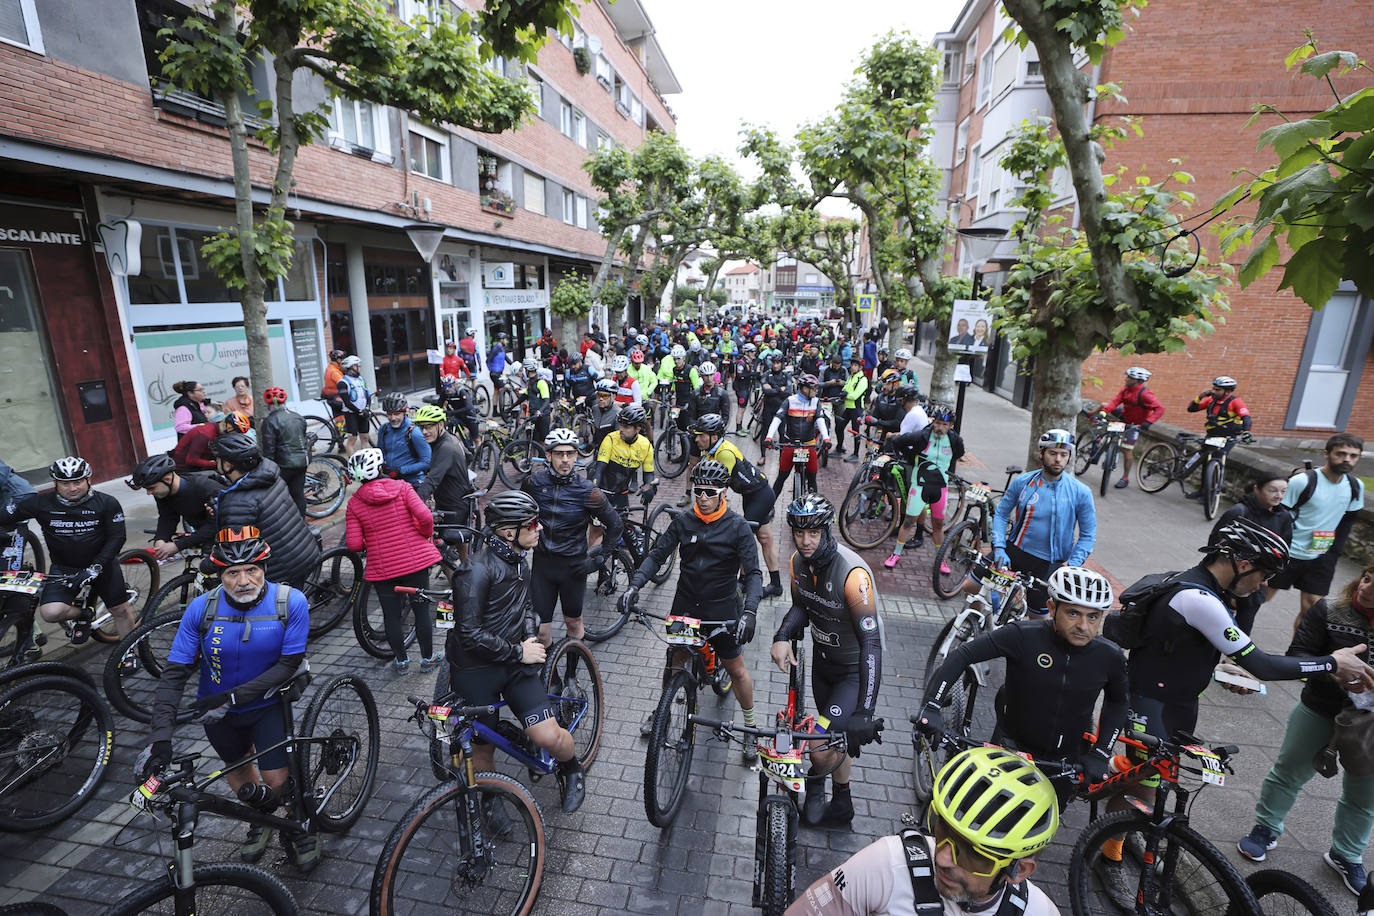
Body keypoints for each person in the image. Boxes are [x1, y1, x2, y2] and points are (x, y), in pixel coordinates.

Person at [1102, 519, 1374, 866]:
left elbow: (1177, 646)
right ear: (1242, 564)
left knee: (1158, 782)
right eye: (1263, 575)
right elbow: (1263, 664)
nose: (1263, 584)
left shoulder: (1202, 588)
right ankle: (1108, 853)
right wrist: (1332, 663)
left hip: (1177, 700)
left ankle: (1128, 830)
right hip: (1151, 701)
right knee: (1143, 785)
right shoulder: (1199, 598)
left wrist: (1219, 670)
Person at [137, 528, 318, 870]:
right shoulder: (200, 610)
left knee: (278, 781)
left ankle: (298, 825)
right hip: (217, 711)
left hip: (267, 705)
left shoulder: (290, 602)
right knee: (241, 777)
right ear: (220, 575)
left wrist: (232, 697)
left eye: (253, 570)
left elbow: (289, 664)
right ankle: (262, 821)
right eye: (233, 573)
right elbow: (174, 674)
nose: (244, 580)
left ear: (265, 568)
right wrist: (161, 736)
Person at [917, 566, 1126, 809]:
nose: (1084, 626)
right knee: (980, 820)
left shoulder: (1109, 656)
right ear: (1051, 608)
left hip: (1063, 762)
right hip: (1009, 749)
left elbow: (1119, 700)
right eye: (1073, 613)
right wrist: (931, 705)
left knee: (1037, 833)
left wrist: (1101, 752)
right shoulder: (1023, 636)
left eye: (1093, 617)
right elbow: (962, 655)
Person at [787, 747, 1062, 915]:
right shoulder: (886, 864)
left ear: (1019, 870)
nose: (942, 858)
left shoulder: (1040, 911)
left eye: (972, 854)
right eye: (943, 831)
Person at [1238, 562, 1374, 895]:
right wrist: (1333, 671)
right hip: (1320, 708)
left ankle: (1346, 854)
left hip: (1370, 724)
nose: (1366, 588)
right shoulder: (1327, 610)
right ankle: (1265, 829)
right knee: (1289, 771)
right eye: (1368, 578)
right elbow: (1297, 655)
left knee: (1365, 795)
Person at [447, 491, 586, 813]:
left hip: (514, 663)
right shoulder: (474, 572)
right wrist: (517, 651)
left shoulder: (519, 559)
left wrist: (529, 637)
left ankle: (572, 767)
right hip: (477, 670)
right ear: (509, 532)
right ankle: (492, 799)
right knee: (483, 747)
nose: (539, 529)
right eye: (533, 524)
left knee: (549, 738)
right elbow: (468, 633)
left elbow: (525, 606)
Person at [620, 461, 763, 761]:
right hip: (686, 606)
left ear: (723, 492)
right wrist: (634, 586)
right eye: (698, 491)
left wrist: (749, 612)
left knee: (736, 670)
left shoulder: (737, 527)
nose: (702, 497)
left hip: (721, 608)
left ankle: (750, 728)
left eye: (710, 492)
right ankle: (664, 713)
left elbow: (753, 575)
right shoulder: (684, 521)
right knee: (674, 661)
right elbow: (657, 555)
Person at [770, 494, 884, 827]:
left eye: (814, 533)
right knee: (836, 737)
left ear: (826, 530)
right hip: (822, 667)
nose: (805, 541)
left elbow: (872, 644)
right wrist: (780, 636)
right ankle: (843, 800)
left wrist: (865, 711)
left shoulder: (853, 576)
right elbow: (801, 607)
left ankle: (816, 780)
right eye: (799, 533)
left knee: (819, 747)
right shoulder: (797, 562)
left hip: (852, 673)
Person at [0, 456, 133, 643]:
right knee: (50, 613)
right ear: (55, 482)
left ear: (89, 479)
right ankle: (85, 614)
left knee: (120, 610)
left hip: (102, 566)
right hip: (64, 568)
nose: (72, 488)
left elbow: (117, 537)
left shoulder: (107, 503)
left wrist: (95, 567)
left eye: (77, 482)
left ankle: (130, 652)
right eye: (65, 483)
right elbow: (5, 516)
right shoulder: (40, 503)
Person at [523, 428, 623, 646]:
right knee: (540, 631)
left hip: (573, 568)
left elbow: (615, 525)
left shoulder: (588, 491)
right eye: (559, 454)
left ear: (577, 455)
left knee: (574, 624)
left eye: (570, 453)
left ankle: (570, 676)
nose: (565, 459)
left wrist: (598, 559)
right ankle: (552, 678)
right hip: (543, 566)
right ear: (548, 455)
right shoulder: (534, 483)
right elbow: (520, 516)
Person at [344, 448, 441, 672]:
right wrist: (422, 533)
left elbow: (354, 544)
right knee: (421, 610)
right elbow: (425, 517)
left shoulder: (355, 504)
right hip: (415, 562)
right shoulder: (403, 488)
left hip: (382, 568)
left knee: (391, 616)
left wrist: (373, 542)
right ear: (380, 468)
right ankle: (427, 659)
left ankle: (401, 661)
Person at [990, 430, 1096, 615]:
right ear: (1041, 453)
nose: (1058, 459)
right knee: (972, 587)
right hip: (1013, 551)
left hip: (1048, 565)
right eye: (1052, 453)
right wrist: (999, 547)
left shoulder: (1081, 492)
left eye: (1064, 455)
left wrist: (1072, 566)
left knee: (1037, 619)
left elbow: (1088, 535)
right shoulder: (1023, 482)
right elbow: (1001, 513)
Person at [1271, 433, 1366, 623]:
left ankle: (1298, 653)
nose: (1347, 459)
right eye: (1341, 453)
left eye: (1353, 455)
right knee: (1255, 598)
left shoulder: (1355, 486)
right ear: (1326, 453)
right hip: (1286, 553)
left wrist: (1333, 552)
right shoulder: (1303, 482)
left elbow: (1347, 521)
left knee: (1312, 612)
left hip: (1321, 555)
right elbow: (1278, 515)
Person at [209, 433, 321, 590]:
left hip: (280, 570)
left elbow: (233, 550)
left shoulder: (238, 502)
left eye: (218, 459)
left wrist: (207, 565)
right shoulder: (270, 476)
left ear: (227, 465)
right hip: (305, 551)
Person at [690, 413, 783, 598]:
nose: (696, 439)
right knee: (765, 538)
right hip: (752, 494)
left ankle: (743, 582)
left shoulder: (724, 453)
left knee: (743, 538)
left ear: (714, 437)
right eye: (696, 435)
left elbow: (719, 489)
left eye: (701, 435)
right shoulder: (714, 449)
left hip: (761, 495)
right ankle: (776, 585)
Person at [1209, 473, 1292, 631]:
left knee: (1244, 627)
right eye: (1273, 490)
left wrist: (1267, 575)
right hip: (1228, 576)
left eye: (1283, 491)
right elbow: (1215, 544)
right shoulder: (1238, 511)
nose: (1279, 496)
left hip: (1256, 580)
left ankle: (1235, 656)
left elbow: (1284, 548)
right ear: (1257, 489)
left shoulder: (1284, 517)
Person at [884, 404, 963, 568]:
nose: (940, 427)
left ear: (951, 426)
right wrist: (909, 457)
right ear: (933, 421)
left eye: (944, 424)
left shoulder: (955, 441)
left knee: (938, 525)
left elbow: (959, 453)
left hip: (940, 488)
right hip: (919, 485)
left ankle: (940, 560)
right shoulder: (923, 436)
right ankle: (896, 553)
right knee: (908, 521)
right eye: (938, 423)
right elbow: (899, 441)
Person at [128, 453, 220, 562]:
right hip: (204, 531)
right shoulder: (163, 492)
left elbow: (215, 525)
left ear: (167, 479)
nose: (149, 493)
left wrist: (177, 545)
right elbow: (167, 518)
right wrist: (161, 539)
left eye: (151, 488)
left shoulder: (205, 487)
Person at [411, 404, 475, 556]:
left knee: (439, 554)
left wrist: (413, 503)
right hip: (457, 499)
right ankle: (466, 572)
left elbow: (432, 481)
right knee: (458, 546)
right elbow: (469, 456)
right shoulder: (450, 439)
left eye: (428, 427)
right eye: (421, 427)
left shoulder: (446, 447)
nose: (424, 432)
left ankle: (463, 577)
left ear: (440, 424)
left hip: (453, 506)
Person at [763, 374, 832, 498]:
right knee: (782, 477)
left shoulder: (816, 402)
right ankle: (769, 506)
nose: (816, 391)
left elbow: (820, 420)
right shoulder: (790, 400)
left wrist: (826, 438)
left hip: (809, 445)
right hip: (790, 444)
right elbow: (777, 419)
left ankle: (812, 506)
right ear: (805, 389)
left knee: (812, 479)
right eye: (814, 389)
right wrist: (769, 437)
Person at [1099, 366, 1165, 489]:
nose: (1126, 379)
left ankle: (1125, 477)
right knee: (1104, 421)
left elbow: (1160, 408)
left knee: (1127, 449)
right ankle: (1099, 439)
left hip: (1135, 425)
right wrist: (1104, 412)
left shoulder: (1145, 394)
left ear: (1135, 380)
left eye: (1128, 377)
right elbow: (1115, 402)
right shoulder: (1125, 390)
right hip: (1124, 417)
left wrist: (1148, 422)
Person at [258, 387, 309, 514]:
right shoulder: (298, 417)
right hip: (303, 461)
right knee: (298, 494)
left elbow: (269, 449)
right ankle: (301, 523)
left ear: (268, 404)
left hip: (284, 464)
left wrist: (266, 468)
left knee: (279, 496)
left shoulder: (269, 421)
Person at [375, 392, 430, 487]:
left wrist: (400, 470)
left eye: (397, 414)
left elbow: (426, 463)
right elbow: (380, 454)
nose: (393, 418)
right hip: (392, 482)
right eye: (389, 414)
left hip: (412, 482)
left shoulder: (414, 432)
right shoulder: (383, 429)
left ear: (404, 412)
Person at [336, 356, 372, 454]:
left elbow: (367, 395)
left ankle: (367, 461)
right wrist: (359, 411)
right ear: (351, 367)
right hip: (351, 414)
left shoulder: (361, 379)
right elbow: (347, 402)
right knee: (353, 438)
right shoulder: (342, 383)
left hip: (363, 412)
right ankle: (352, 464)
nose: (359, 368)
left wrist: (367, 409)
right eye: (357, 366)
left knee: (365, 437)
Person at [838, 357, 871, 462]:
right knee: (839, 427)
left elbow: (855, 395)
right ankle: (839, 447)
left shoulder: (863, 379)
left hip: (857, 409)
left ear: (860, 368)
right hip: (848, 408)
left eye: (856, 365)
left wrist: (845, 395)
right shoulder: (851, 377)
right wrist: (843, 392)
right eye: (852, 365)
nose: (853, 367)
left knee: (856, 432)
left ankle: (856, 454)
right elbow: (845, 388)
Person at [513, 358, 554, 444]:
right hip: (533, 415)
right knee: (531, 440)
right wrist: (511, 407)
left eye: (525, 369)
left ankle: (543, 456)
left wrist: (539, 412)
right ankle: (530, 457)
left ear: (528, 370)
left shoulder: (541, 382)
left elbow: (547, 401)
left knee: (542, 441)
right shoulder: (530, 382)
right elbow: (525, 396)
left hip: (543, 415)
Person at [756, 351, 791, 450]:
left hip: (781, 409)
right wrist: (780, 389)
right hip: (768, 408)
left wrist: (773, 388)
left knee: (782, 433)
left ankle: (781, 458)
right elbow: (765, 390)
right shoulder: (766, 374)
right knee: (765, 431)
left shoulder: (786, 375)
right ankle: (763, 456)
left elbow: (788, 391)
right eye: (774, 363)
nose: (775, 365)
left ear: (781, 363)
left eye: (778, 363)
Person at [589, 379, 621, 454]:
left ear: (613, 397)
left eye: (605, 396)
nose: (600, 399)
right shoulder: (594, 409)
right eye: (599, 395)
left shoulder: (618, 413)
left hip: (612, 452)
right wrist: (593, 443)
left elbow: (619, 440)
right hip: (598, 450)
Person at [321, 349, 346, 416]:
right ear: (338, 360)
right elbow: (344, 383)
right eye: (342, 360)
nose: (343, 362)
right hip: (336, 397)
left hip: (332, 397)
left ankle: (340, 426)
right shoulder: (334, 372)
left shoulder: (330, 368)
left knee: (339, 419)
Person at [487, 331, 510, 395]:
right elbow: (488, 360)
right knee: (504, 388)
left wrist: (514, 364)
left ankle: (495, 405)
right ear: (501, 340)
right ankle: (503, 404)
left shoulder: (502, 349)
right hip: (494, 374)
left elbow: (507, 359)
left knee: (496, 390)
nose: (506, 341)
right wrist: (491, 370)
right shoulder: (495, 349)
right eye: (505, 339)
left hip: (500, 373)